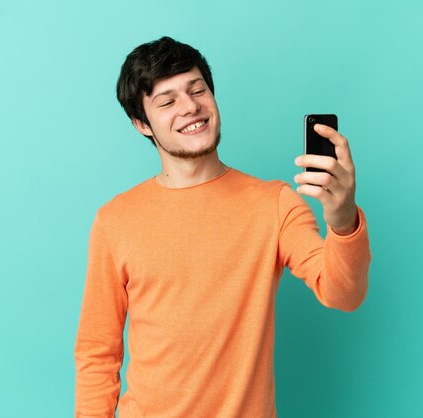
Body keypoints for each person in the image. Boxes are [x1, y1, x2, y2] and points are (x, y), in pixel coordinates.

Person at [74, 36, 371, 418]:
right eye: (167, 101)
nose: (190, 106)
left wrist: (342, 217)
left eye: (197, 90)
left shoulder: (274, 204)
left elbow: (343, 294)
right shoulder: (115, 220)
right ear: (141, 124)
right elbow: (98, 352)